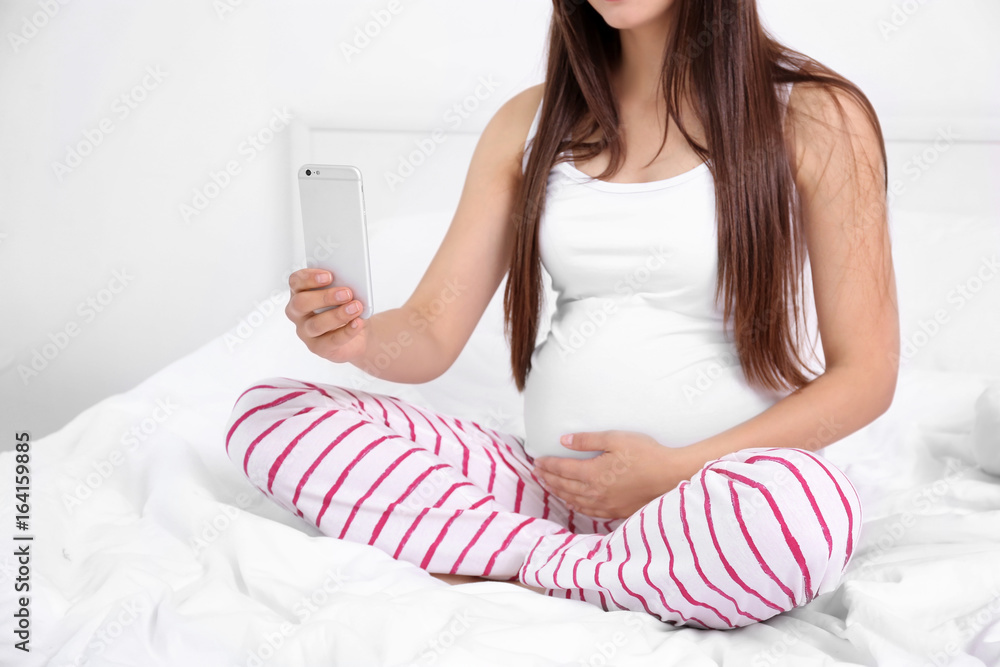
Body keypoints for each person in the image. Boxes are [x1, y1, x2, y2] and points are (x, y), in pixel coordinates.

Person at [224, 0, 899, 629]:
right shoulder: (532, 123)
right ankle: (584, 570)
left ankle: (508, 565)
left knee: (806, 516)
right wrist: (357, 337)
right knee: (268, 416)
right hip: (551, 491)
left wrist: (671, 471)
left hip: (715, 495)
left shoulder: (813, 114)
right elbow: (429, 333)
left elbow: (867, 373)